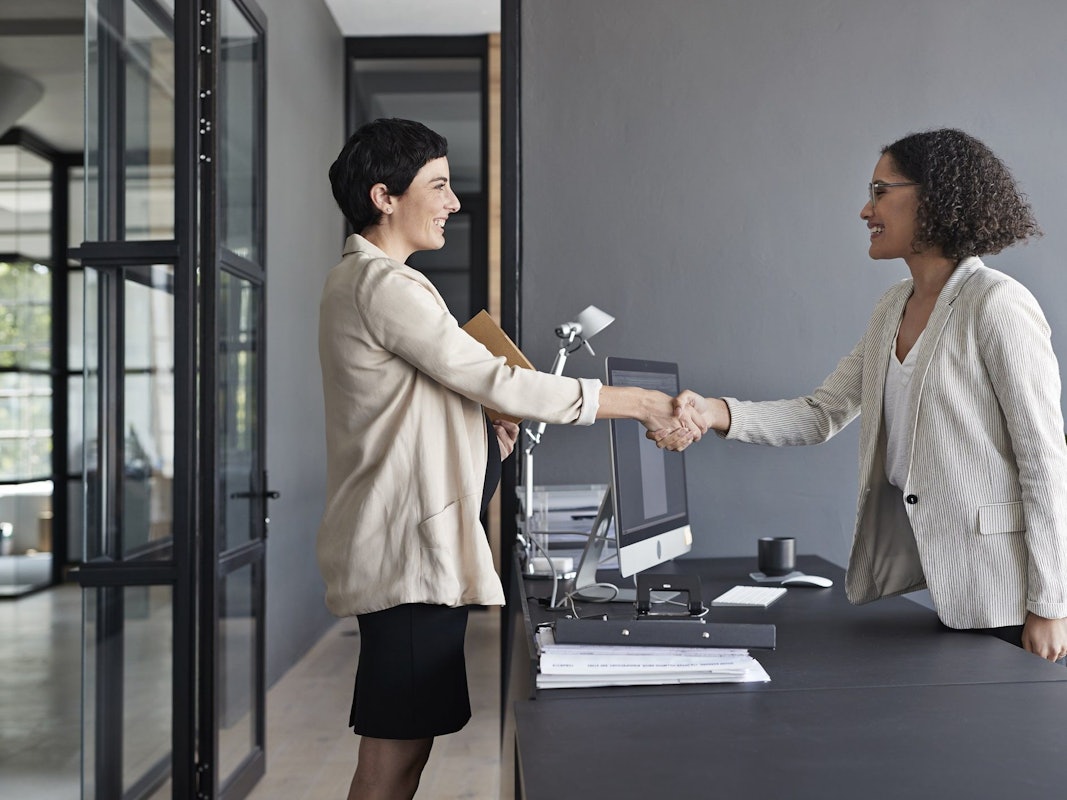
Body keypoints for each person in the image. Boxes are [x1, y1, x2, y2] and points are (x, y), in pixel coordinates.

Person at [318, 117, 697, 800]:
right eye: (437, 185)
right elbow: (499, 379)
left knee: (401, 749)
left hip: (408, 554)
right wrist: (636, 402)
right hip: (408, 562)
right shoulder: (384, 286)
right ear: (384, 197)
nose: (452, 202)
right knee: (393, 756)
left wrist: (483, 437)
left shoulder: (369, 283)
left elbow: (422, 407)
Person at [662, 128, 1067, 663]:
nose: (864, 210)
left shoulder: (997, 304)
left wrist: (1052, 605)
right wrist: (713, 413)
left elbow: (1045, 461)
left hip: (1010, 603)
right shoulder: (891, 308)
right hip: (945, 592)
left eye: (880, 192)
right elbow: (820, 413)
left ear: (935, 197)